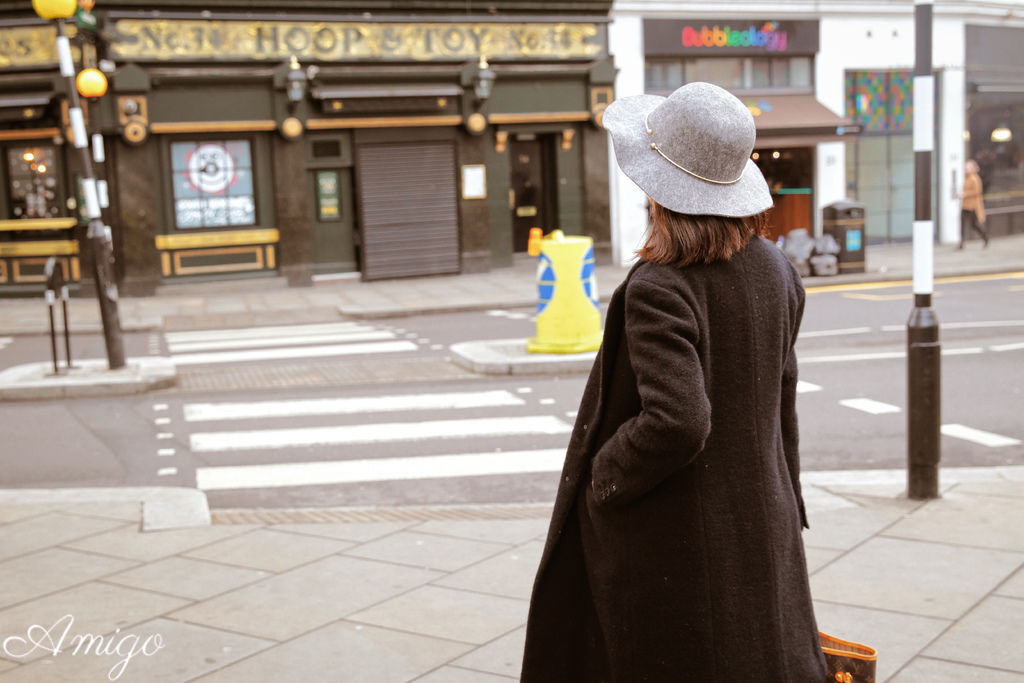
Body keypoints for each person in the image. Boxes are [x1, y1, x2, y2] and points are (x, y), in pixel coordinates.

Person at [521, 82, 827, 682]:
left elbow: (679, 420)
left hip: (678, 542)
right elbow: (780, 401)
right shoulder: (777, 268)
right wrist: (786, 497)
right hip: (761, 525)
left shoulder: (662, 286)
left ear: (660, 189)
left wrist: (605, 478)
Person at [959, 159, 989, 249]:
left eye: (968, 167)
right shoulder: (968, 178)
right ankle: (961, 243)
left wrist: (964, 195)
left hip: (972, 206)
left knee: (974, 224)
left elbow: (977, 192)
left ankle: (985, 237)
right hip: (965, 205)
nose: (966, 169)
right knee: (963, 224)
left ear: (973, 168)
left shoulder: (975, 179)